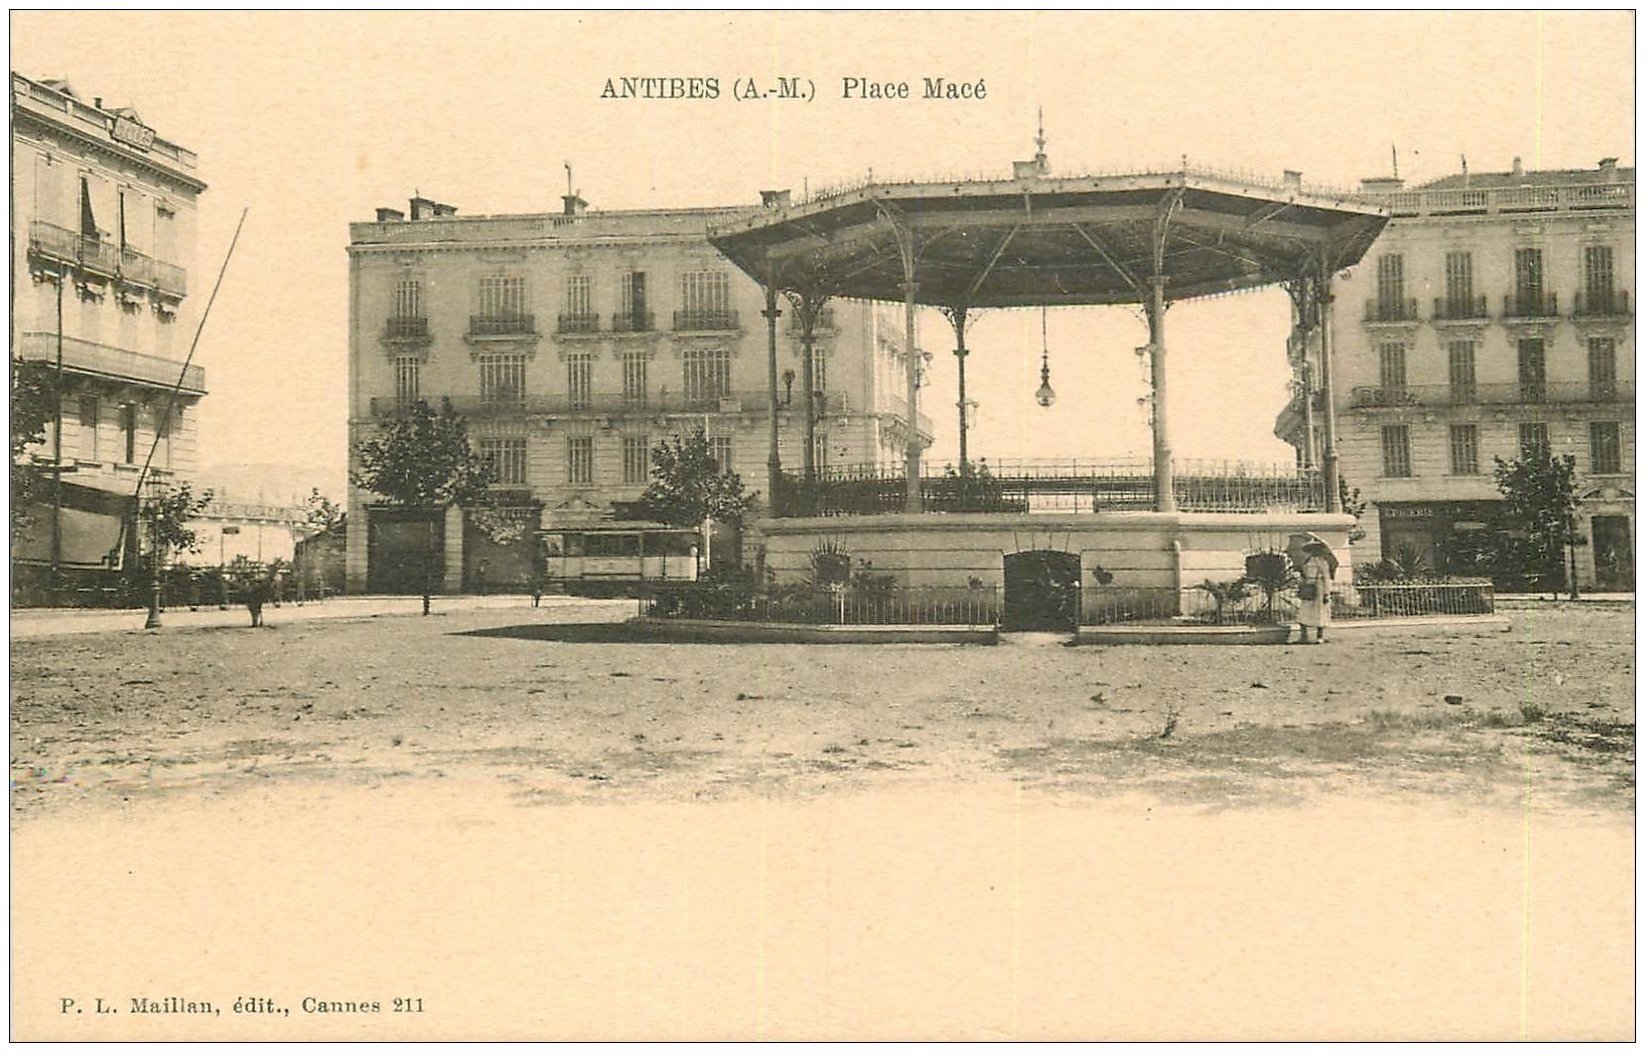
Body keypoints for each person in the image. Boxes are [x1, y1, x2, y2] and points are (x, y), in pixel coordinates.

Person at [1296, 546, 1333, 644]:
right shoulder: (1308, 562)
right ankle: (1304, 636)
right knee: (1304, 612)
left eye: (1316, 550)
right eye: (1312, 550)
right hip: (1309, 587)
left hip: (1319, 588)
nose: (1314, 552)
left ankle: (1318, 636)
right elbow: (1303, 575)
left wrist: (1326, 593)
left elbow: (1326, 578)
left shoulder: (1322, 562)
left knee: (1319, 612)